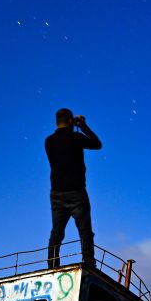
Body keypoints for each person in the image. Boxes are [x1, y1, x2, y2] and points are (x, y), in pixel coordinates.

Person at [45, 108, 102, 267]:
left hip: (57, 193)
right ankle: (89, 262)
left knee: (56, 232)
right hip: (76, 192)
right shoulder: (76, 137)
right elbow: (97, 144)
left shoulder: (49, 141)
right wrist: (83, 126)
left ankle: (52, 264)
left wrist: (74, 126)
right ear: (71, 121)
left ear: (57, 122)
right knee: (85, 231)